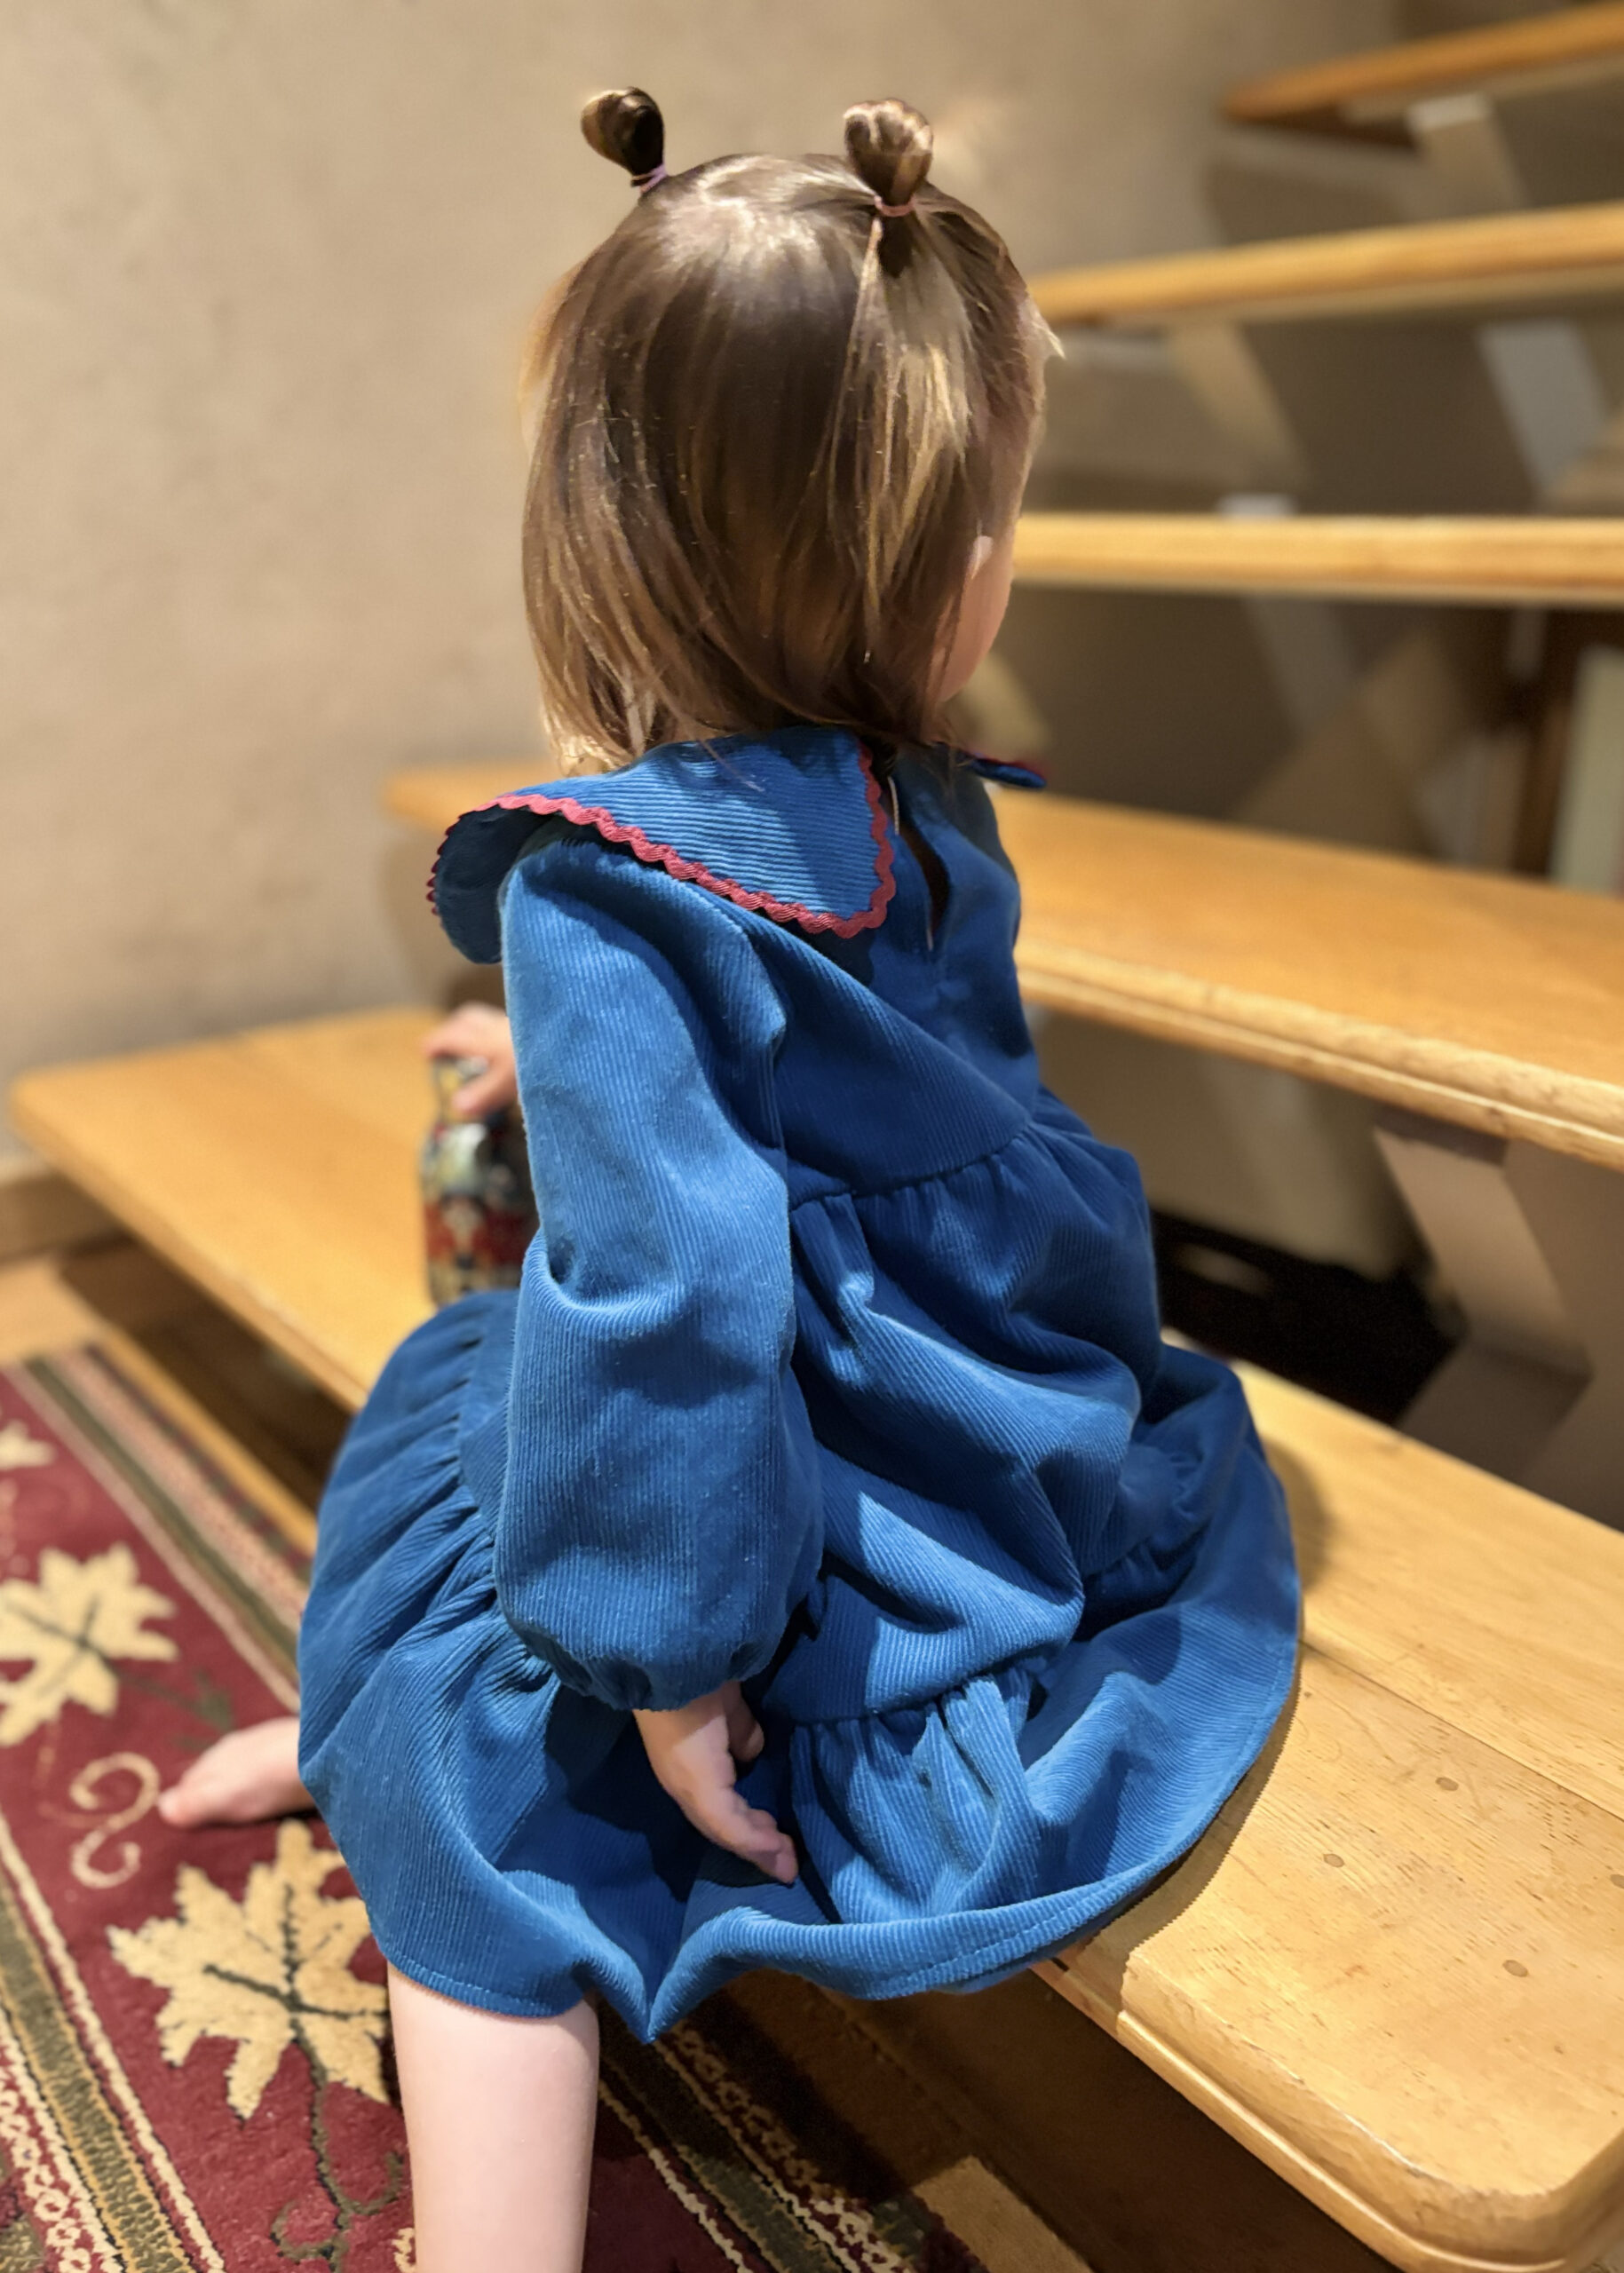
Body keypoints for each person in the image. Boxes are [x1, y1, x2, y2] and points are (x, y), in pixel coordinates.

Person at [162, 90, 1299, 2273]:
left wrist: (670, 1667)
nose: (1005, 565)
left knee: (465, 1697)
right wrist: (569, 1055)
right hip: (993, 1444)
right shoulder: (933, 803)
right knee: (492, 1438)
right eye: (988, 524)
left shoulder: (605, 893)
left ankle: (481, 2189)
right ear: (900, 582)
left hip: (800, 1502)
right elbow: (865, 1091)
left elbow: (672, 1308)